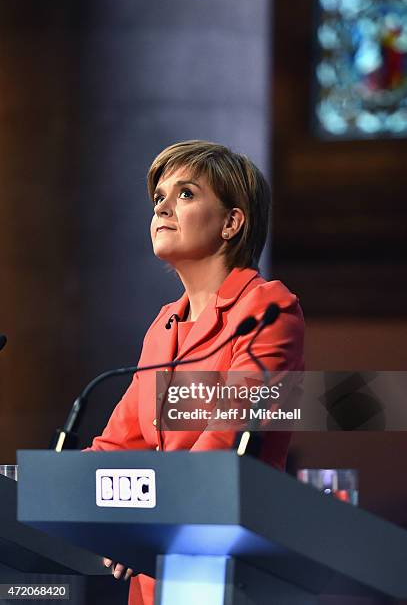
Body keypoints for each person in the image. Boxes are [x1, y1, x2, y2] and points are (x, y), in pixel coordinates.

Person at [86, 140, 304, 605]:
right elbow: (119, 446)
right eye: (158, 198)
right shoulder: (165, 324)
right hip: (153, 571)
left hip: (226, 564)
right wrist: (41, 489)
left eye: (185, 194)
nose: (163, 206)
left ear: (231, 222)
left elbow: (222, 445)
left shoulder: (269, 309)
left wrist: (139, 518)